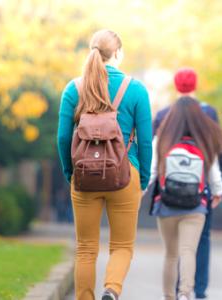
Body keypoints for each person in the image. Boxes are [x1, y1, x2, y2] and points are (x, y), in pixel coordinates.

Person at [57, 29, 152, 300]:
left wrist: (70, 172)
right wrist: (142, 180)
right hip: (125, 176)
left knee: (86, 248)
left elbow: (64, 137)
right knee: (122, 246)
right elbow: (145, 142)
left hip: (84, 177)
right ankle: (112, 288)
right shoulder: (136, 89)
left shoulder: (74, 88)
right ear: (118, 53)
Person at [153, 68, 222, 299]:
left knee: (172, 251)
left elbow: (156, 154)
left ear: (176, 85)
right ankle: (196, 290)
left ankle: (171, 293)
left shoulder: (162, 115)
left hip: (167, 191)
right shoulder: (207, 112)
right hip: (201, 189)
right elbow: (218, 150)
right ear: (195, 85)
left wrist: (147, 186)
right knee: (200, 240)